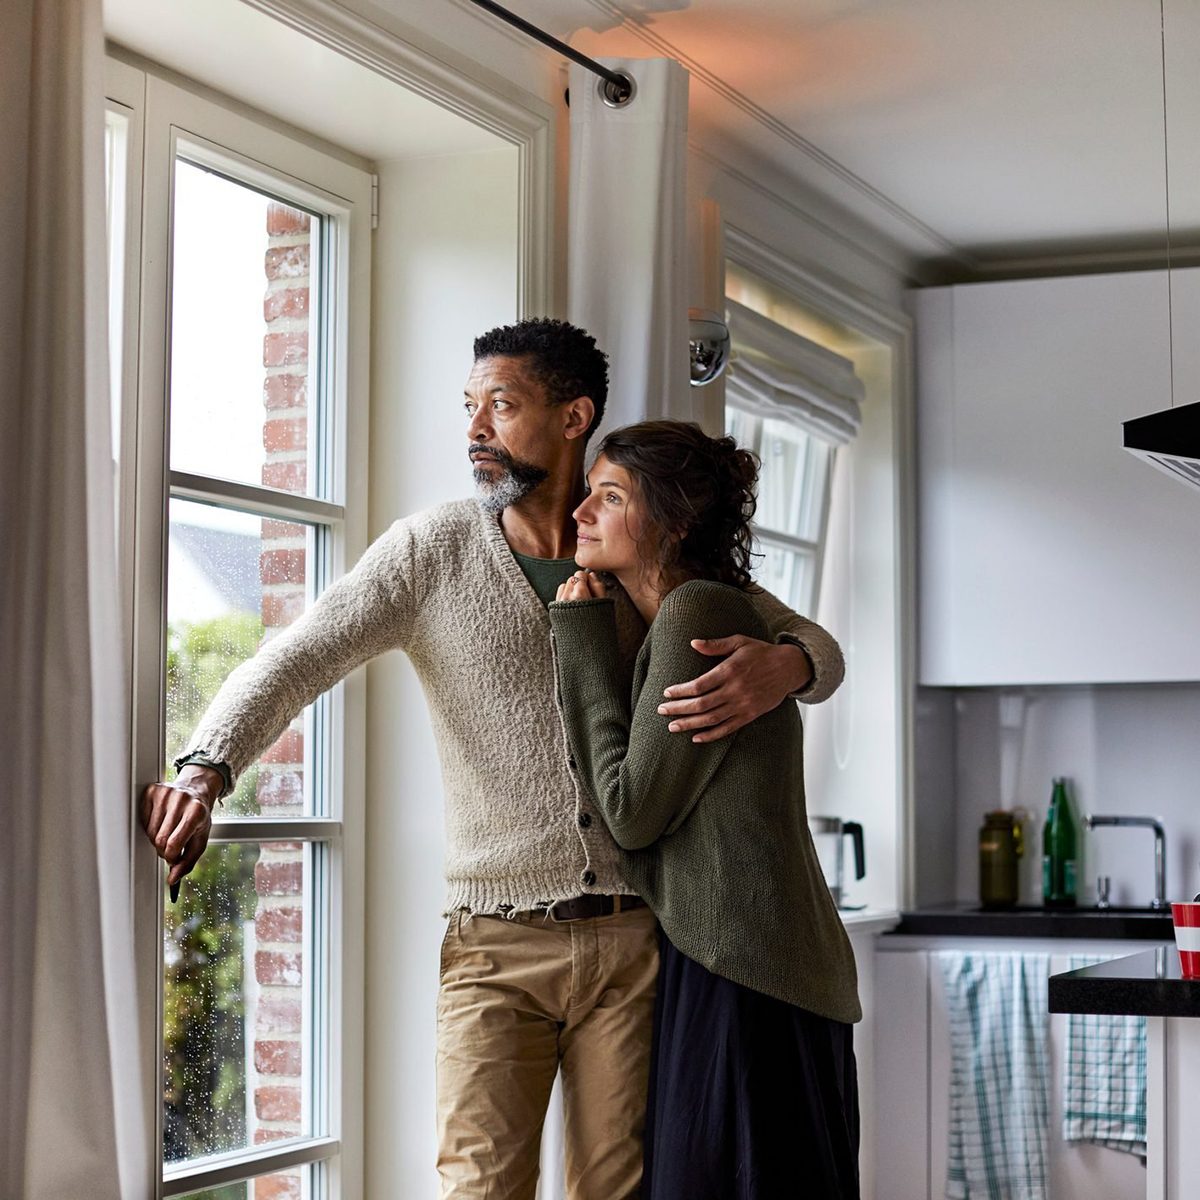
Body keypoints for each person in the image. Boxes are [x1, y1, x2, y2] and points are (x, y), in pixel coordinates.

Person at [139, 319, 846, 1200]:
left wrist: (793, 664)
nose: (475, 429)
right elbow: (295, 656)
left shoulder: (633, 547)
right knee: (480, 1187)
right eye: (469, 407)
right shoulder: (431, 551)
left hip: (635, 940)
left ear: (573, 415)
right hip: (493, 944)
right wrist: (206, 768)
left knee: (613, 1192)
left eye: (502, 406)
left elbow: (808, 636)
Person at [549, 420, 862, 1200]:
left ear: (675, 521)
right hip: (751, 959)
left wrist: (581, 637)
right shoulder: (703, 608)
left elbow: (629, 812)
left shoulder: (696, 611)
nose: (581, 513)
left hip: (743, 968)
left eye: (610, 496)